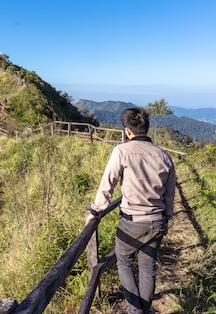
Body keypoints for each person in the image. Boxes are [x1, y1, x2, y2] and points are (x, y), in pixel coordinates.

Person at [86, 107, 176, 314]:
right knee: (147, 268)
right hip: (156, 222)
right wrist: (167, 219)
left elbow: (107, 183)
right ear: (146, 128)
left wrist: (95, 210)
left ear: (128, 131)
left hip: (131, 222)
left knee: (124, 262)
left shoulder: (122, 151)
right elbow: (169, 195)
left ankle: (134, 311)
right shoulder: (164, 156)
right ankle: (144, 310)